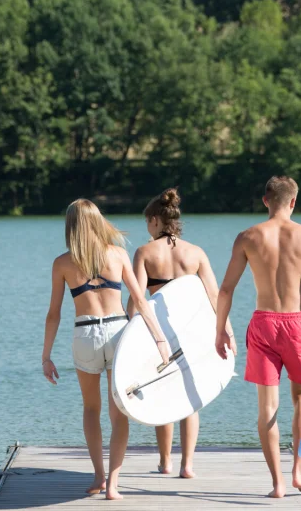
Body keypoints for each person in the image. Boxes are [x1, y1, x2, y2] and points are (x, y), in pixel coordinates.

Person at [215, 176, 301, 499]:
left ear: (265, 201)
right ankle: (298, 471)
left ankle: (277, 483)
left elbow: (226, 289)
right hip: (298, 324)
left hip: (263, 325)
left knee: (267, 407)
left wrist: (219, 330)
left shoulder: (247, 237)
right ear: (293, 202)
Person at [42, 199, 169, 501]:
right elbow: (140, 301)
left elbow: (54, 313)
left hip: (84, 334)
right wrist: (160, 340)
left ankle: (97, 475)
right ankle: (113, 483)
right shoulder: (118, 255)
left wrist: (46, 356)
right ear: (98, 222)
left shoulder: (63, 262)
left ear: (70, 225)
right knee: (118, 413)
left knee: (91, 408)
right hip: (117, 333)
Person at [131, 188, 237, 479]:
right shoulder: (196, 252)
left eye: (146, 222)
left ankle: (165, 462)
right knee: (190, 395)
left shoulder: (144, 252)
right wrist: (227, 330)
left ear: (155, 220)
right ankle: (187, 464)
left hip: (159, 335)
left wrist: (128, 338)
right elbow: (216, 296)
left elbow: (137, 300)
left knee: (161, 392)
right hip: (193, 332)